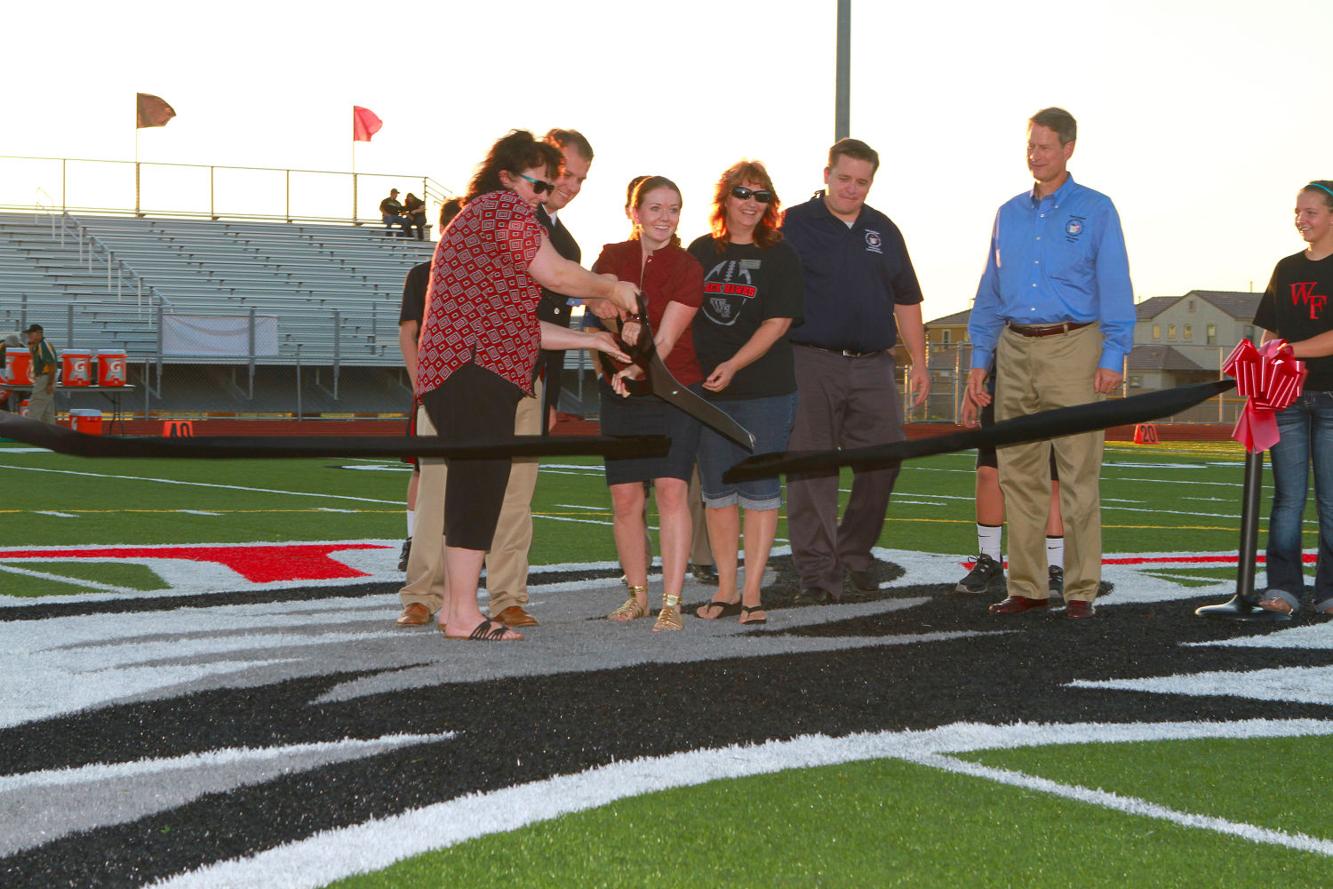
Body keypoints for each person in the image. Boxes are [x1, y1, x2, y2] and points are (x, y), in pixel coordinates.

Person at [400, 129, 638, 642]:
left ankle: (457, 611)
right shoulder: (500, 211)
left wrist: (595, 339)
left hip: (474, 368)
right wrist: (611, 286)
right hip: (471, 371)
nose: (547, 193)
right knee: (477, 488)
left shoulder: (491, 221)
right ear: (507, 177)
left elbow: (518, 326)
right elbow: (556, 275)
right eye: (540, 184)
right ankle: (461, 613)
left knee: (476, 488)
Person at [965, 107, 1135, 621]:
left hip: (1074, 348)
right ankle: (1029, 587)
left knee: (1079, 473)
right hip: (1014, 350)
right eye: (1030, 146)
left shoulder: (1097, 209)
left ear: (1068, 149)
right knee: (1019, 474)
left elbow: (1116, 284)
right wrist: (980, 357)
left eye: (1044, 146)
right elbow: (990, 292)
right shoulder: (1008, 213)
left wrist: (1112, 353)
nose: (1035, 155)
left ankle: (1081, 589)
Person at [781, 138, 928, 604]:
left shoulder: (883, 229)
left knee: (885, 458)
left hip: (873, 365)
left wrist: (920, 362)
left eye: (861, 182)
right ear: (827, 175)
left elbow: (906, 299)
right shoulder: (794, 224)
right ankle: (819, 574)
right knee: (812, 471)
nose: (851, 189)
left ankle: (854, 553)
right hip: (810, 361)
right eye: (844, 178)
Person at [688, 160, 804, 625]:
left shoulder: (781, 255)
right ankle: (726, 588)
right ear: (725, 198)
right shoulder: (699, 251)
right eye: (743, 193)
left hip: (765, 390)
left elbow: (778, 323)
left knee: (758, 492)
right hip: (708, 391)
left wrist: (734, 365)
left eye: (760, 196)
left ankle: (753, 592)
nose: (750, 204)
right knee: (718, 494)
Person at [590, 176, 705, 632]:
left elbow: (668, 338)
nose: (664, 217)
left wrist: (636, 367)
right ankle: (637, 595)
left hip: (672, 390)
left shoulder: (688, 266)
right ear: (634, 212)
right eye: (654, 207)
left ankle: (672, 602)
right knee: (625, 498)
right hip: (619, 389)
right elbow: (596, 301)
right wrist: (616, 328)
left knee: (673, 491)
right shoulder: (611, 255)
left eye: (673, 209)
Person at [1253, 180, 1333, 617]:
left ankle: (1329, 592)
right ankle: (1283, 588)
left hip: (1331, 399)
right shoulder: (1285, 267)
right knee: (1287, 498)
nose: (1301, 219)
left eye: (1311, 212)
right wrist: (1264, 364)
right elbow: (1270, 332)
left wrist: (1289, 350)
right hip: (1287, 399)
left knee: (1331, 499)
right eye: (1297, 212)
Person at [395, 198, 464, 578]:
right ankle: (413, 541)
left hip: (472, 388)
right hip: (432, 384)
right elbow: (408, 333)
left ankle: (462, 542)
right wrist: (420, 382)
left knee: (469, 468)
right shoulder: (422, 273)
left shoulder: (482, 274)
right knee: (423, 468)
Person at [956, 359, 1064, 596]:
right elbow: (987, 327)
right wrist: (973, 383)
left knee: (1053, 478)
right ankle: (990, 560)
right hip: (1005, 382)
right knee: (988, 471)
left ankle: (1055, 567)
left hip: (1058, 378)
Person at [24, 324, 57, 424]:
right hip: (45, 378)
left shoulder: (44, 345)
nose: (28, 336)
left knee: (35, 407)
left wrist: (50, 383)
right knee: (47, 410)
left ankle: (32, 434)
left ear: (39, 333)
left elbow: (52, 366)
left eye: (31, 333)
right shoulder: (38, 345)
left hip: (45, 378)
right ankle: (51, 435)